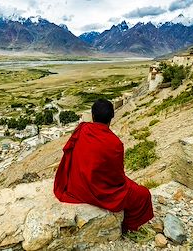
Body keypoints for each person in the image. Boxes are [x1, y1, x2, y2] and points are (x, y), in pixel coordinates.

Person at [54, 99, 154, 231]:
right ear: (111, 117)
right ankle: (127, 227)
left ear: (93, 116)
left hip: (75, 187)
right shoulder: (115, 143)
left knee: (131, 186)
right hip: (99, 191)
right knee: (143, 194)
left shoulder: (82, 129)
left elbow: (68, 155)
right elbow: (116, 178)